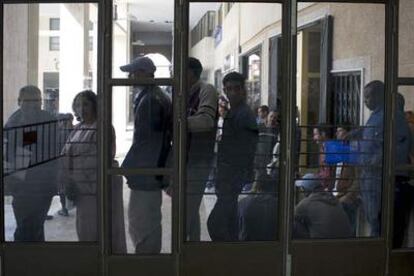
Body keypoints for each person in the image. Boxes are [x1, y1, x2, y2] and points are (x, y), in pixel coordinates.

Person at [120, 56, 172, 253]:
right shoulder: (154, 96)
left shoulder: (150, 101)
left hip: (146, 174)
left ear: (144, 73)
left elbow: (149, 143)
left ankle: (147, 264)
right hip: (149, 172)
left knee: (142, 223)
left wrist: (134, 169)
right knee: (146, 220)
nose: (130, 76)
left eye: (133, 72)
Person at [207, 72, 258, 241]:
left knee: (215, 222)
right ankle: (232, 252)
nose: (233, 92)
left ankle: (227, 252)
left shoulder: (244, 114)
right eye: (229, 89)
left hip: (232, 175)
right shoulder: (234, 111)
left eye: (237, 88)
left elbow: (247, 147)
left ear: (244, 90)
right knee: (229, 219)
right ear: (225, 91)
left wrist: (237, 172)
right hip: (228, 174)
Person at [4, 85, 58, 241]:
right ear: (19, 101)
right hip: (21, 184)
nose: (33, 105)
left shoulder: (47, 120)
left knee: (33, 226)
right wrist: (10, 180)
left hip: (42, 183)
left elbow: (43, 150)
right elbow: (10, 153)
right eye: (28, 101)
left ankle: (29, 259)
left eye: (37, 101)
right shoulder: (12, 122)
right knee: (28, 226)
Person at [357, 81, 410, 237]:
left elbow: (395, 147)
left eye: (368, 96)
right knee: (373, 221)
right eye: (364, 97)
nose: (365, 101)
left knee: (382, 227)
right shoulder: (375, 117)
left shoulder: (394, 117)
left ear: (379, 95)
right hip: (370, 179)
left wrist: (373, 163)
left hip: (382, 179)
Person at [185, 57, 218, 241]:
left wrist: (177, 122)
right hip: (187, 159)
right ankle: (192, 251)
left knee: (186, 212)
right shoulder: (185, 92)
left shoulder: (206, 90)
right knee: (189, 210)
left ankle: (187, 251)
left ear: (191, 72)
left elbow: (206, 121)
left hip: (199, 160)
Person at [293, 173, 352, 239]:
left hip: (323, 246)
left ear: (305, 191)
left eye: (302, 188)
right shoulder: (333, 199)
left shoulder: (306, 204)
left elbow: (291, 216)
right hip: (346, 243)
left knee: (294, 223)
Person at [334, 124, 360, 235]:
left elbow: (358, 179)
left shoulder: (354, 154)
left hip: (348, 200)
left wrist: (348, 196)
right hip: (338, 196)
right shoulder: (340, 152)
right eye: (337, 131)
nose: (337, 134)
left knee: (348, 232)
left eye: (340, 131)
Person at [238, 174, 277, 241]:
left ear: (256, 185)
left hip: (246, 246)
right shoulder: (278, 204)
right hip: (272, 246)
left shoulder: (243, 203)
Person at [56, 113, 74, 217]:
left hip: (63, 165)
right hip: (68, 164)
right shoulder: (75, 131)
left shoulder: (60, 134)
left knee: (62, 187)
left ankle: (64, 208)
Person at [312, 125, 335, 191]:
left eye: (316, 134)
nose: (314, 138)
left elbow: (330, 172)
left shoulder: (331, 148)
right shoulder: (322, 148)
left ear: (323, 134)